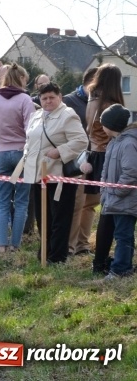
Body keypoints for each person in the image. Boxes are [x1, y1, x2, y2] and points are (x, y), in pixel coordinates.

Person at [21, 82, 88, 263]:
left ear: (60, 97)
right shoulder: (36, 116)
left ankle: (57, 257)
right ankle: (45, 251)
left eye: (52, 97)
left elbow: (81, 140)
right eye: (44, 98)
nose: (48, 101)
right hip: (38, 174)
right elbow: (29, 140)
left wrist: (60, 151)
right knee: (43, 218)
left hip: (60, 176)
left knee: (60, 217)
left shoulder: (68, 115)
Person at [0, 63, 35, 253]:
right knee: (21, 202)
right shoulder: (25, 99)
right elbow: (32, 131)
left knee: (2, 202)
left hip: (1, 154)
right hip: (22, 155)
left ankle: (1, 245)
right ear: (21, 79)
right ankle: (15, 245)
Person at [83, 65, 127, 274]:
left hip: (94, 151)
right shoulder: (110, 103)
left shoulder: (93, 97)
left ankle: (100, 258)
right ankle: (100, 261)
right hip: (108, 153)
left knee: (104, 209)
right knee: (109, 211)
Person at [97, 104, 137, 279]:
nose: (102, 127)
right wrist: (104, 188)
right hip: (114, 198)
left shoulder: (128, 143)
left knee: (123, 235)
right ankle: (124, 265)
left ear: (111, 125)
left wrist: (116, 191)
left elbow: (131, 172)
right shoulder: (114, 142)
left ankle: (120, 269)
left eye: (103, 123)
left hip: (125, 199)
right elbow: (106, 169)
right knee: (122, 235)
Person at [65, 67, 97, 255]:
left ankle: (82, 245)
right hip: (77, 160)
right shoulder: (69, 101)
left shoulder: (102, 102)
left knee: (91, 203)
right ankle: (69, 245)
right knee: (77, 204)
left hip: (97, 157)